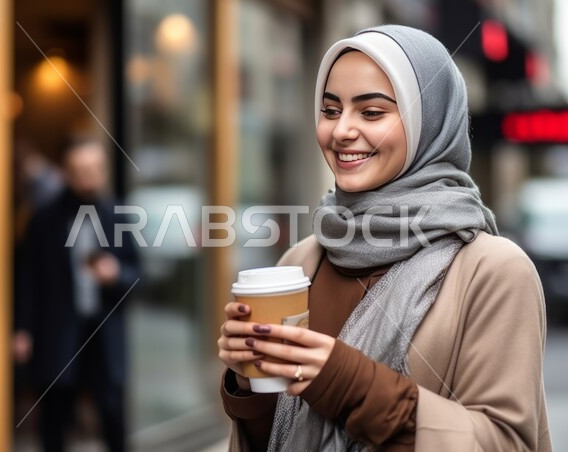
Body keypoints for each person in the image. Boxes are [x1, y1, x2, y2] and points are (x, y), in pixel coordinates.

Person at [217, 25, 552, 451]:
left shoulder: (493, 271)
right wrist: (249, 384)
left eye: (372, 112)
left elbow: (505, 443)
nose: (341, 131)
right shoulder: (302, 261)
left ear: (429, 124)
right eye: (330, 109)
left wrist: (343, 381)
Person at [14, 135, 139, 452]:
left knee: (112, 414)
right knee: (55, 415)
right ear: (65, 172)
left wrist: (116, 273)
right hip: (58, 331)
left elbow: (138, 274)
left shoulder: (118, 214)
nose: (88, 176)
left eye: (94, 168)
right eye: (80, 170)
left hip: (104, 330)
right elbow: (28, 278)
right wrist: (22, 329)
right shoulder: (44, 219)